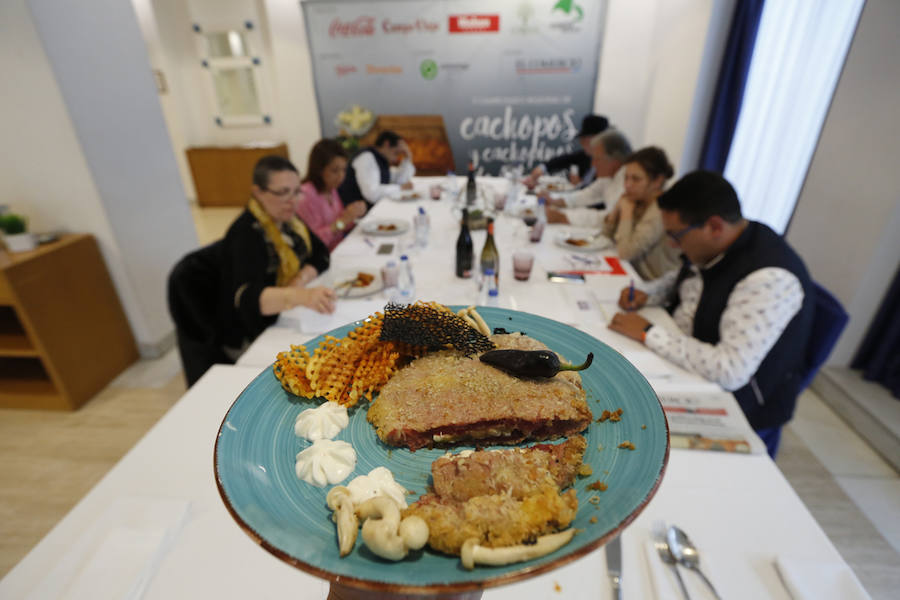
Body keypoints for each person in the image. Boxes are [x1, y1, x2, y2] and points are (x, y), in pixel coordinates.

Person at [607, 171, 814, 457]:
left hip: (737, 405)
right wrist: (649, 293)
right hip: (685, 359)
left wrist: (647, 332)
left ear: (714, 227)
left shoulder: (768, 278)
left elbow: (729, 370)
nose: (672, 246)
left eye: (676, 237)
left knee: (628, 434)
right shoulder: (722, 243)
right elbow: (691, 278)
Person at [220, 155, 336, 361]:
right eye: (283, 192)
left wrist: (299, 279)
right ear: (258, 193)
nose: (293, 201)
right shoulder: (246, 233)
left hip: (287, 314)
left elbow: (321, 253)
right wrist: (302, 296)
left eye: (296, 192)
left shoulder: (290, 222)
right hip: (257, 332)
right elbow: (247, 299)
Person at [599, 146, 681, 280]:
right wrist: (615, 212)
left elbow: (625, 252)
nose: (627, 185)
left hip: (651, 284)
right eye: (626, 178)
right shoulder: (637, 200)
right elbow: (605, 237)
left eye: (636, 179)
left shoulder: (661, 210)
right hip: (631, 275)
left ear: (657, 181)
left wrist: (626, 213)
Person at [544, 128, 632, 223]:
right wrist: (555, 201)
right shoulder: (609, 176)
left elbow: (612, 218)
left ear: (615, 161)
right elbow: (587, 194)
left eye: (597, 159)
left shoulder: (629, 183)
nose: (593, 165)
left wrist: (564, 217)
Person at [298, 139, 367, 250]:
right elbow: (315, 243)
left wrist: (354, 213)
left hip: (340, 248)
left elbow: (341, 225)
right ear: (319, 170)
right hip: (324, 257)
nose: (341, 176)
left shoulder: (331, 189)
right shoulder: (305, 196)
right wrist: (343, 221)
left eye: (344, 170)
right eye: (335, 170)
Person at [523, 114, 609, 188]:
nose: (581, 143)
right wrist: (541, 168)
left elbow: (598, 195)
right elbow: (563, 160)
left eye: (584, 139)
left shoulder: (609, 166)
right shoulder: (585, 155)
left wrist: (580, 185)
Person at [338, 130, 416, 208]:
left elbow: (399, 180)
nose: (396, 159)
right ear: (387, 144)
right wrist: (400, 188)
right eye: (396, 153)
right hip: (355, 212)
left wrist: (408, 157)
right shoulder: (366, 157)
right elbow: (372, 194)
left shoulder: (381, 159)